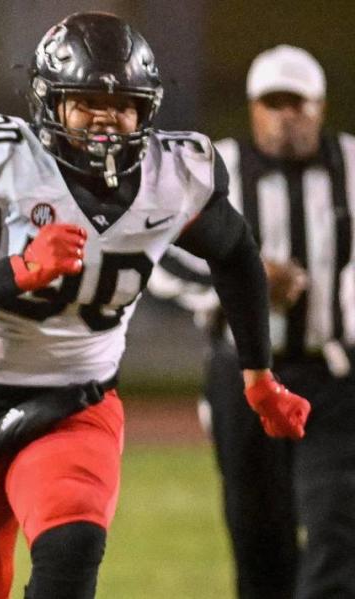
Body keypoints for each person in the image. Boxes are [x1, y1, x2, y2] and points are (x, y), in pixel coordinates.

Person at [0, 13, 311, 599]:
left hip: (76, 400)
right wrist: (18, 270)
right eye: (86, 101)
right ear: (51, 104)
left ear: (147, 110)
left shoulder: (174, 174)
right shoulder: (1, 162)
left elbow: (236, 253)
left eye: (122, 105)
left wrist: (258, 373)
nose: (106, 119)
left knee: (72, 546)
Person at [149, 45, 355, 599]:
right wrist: (246, 281)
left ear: (320, 107)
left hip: (334, 375)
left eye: (298, 102)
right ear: (253, 108)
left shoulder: (352, 164)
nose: (286, 114)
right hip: (243, 379)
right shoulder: (213, 167)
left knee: (337, 521)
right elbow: (156, 250)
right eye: (273, 101)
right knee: (258, 536)